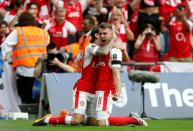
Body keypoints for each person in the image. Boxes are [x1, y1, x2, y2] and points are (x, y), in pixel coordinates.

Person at [32, 24, 147, 126]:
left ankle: (132, 118)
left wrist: (122, 50)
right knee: (77, 120)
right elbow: (104, 52)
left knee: (93, 123)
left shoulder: (109, 49)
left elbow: (121, 60)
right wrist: (113, 39)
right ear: (96, 36)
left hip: (96, 90)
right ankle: (49, 119)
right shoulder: (90, 47)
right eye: (99, 34)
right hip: (83, 89)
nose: (102, 36)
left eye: (104, 34)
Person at [1, 12, 50, 104]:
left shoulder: (19, 31)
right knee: (37, 95)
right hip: (40, 69)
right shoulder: (43, 32)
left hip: (24, 68)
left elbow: (5, 46)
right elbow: (47, 43)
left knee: (24, 95)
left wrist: (5, 59)